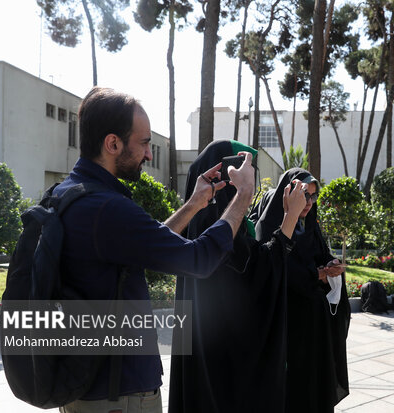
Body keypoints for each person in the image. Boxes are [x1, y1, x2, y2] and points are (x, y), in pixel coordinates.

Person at [54, 87, 256, 413]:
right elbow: (199, 260)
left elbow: (150, 244)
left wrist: (192, 205)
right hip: (119, 394)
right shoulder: (107, 208)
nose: (149, 155)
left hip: (89, 386)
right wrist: (242, 197)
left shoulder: (71, 194)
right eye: (145, 143)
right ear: (112, 143)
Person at [168, 140, 307, 413]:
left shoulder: (196, 227)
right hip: (226, 375)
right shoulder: (221, 237)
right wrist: (290, 217)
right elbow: (262, 275)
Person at [250, 168, 351, 413]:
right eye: (304, 194)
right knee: (292, 392)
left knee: (315, 387)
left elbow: (319, 257)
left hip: (315, 326)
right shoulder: (270, 226)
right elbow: (273, 270)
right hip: (287, 328)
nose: (308, 203)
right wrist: (315, 274)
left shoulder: (310, 226)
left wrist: (330, 267)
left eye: (313, 196)